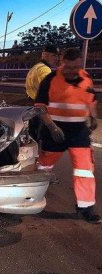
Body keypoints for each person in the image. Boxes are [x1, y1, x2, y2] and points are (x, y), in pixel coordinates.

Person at [35, 48, 100, 224]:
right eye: (69, 67)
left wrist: (93, 117)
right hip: (54, 132)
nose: (73, 71)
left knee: (85, 171)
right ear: (61, 63)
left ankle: (86, 208)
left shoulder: (85, 76)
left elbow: (91, 99)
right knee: (44, 167)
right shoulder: (50, 79)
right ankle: (33, 198)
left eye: (76, 67)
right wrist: (51, 126)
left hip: (79, 132)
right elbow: (39, 107)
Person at [25, 45, 59, 141]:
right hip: (41, 109)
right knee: (43, 138)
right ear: (45, 55)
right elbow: (51, 90)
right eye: (54, 56)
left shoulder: (35, 67)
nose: (57, 59)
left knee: (33, 135)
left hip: (32, 106)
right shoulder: (44, 70)